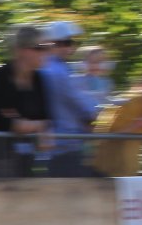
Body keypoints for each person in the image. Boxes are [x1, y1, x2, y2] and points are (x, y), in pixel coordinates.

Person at [0, 24, 52, 178]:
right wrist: (26, 125)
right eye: (40, 48)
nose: (46, 53)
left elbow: (45, 119)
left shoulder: (39, 80)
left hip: (24, 162)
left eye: (48, 48)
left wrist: (23, 123)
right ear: (21, 50)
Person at [36, 20, 101, 177]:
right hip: (65, 145)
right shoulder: (58, 71)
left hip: (55, 145)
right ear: (53, 44)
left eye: (70, 43)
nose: (69, 48)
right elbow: (78, 102)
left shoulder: (45, 67)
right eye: (65, 43)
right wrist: (100, 113)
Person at [92, 66, 142, 178]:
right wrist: (136, 125)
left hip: (129, 170)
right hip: (107, 169)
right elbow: (110, 135)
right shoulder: (131, 103)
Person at [74, 45, 115, 111]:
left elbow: (104, 99)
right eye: (92, 62)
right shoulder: (76, 81)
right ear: (82, 63)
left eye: (100, 62)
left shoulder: (106, 82)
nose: (96, 66)